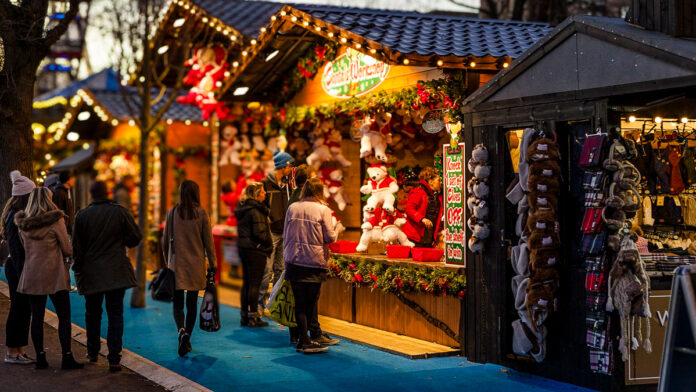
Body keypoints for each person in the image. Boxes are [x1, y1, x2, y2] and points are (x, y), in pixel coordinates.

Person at [72, 181, 142, 372]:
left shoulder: (82, 216)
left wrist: (77, 269)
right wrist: (121, 243)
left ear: (91, 195)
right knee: (115, 314)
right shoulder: (119, 212)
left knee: (92, 313)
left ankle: (93, 352)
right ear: (107, 193)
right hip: (115, 271)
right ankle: (114, 358)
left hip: (91, 272)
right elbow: (135, 237)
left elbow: (76, 248)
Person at [14, 187, 83, 370]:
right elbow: (67, 249)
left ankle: (41, 358)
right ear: (48, 200)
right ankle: (67, 357)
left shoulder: (23, 224)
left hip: (32, 275)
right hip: (55, 275)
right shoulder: (56, 220)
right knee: (64, 316)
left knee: (36, 317)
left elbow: (24, 247)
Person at [283, 178, 338, 354]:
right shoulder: (324, 210)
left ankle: (303, 340)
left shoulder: (293, 207)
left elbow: (285, 233)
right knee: (311, 303)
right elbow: (330, 238)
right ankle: (309, 339)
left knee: (299, 303)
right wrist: (337, 228)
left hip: (294, 260)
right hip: (313, 262)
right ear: (320, 191)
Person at [162, 180, 217, 357]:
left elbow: (165, 241)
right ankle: (188, 337)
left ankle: (181, 331)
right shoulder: (201, 214)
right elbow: (208, 242)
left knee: (177, 304)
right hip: (196, 265)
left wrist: (167, 260)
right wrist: (213, 264)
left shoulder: (172, 213)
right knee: (192, 303)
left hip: (176, 264)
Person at [0, 171, 35, 364]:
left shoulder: (13, 213)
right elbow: (16, 247)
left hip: (17, 266)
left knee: (22, 309)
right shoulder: (15, 216)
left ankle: (18, 350)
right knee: (18, 309)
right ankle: (12, 352)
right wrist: (24, 273)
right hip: (18, 268)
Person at [258, 151, 294, 315]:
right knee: (267, 269)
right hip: (272, 231)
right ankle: (258, 303)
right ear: (284, 165)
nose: (291, 168)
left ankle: (274, 304)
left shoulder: (287, 184)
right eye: (289, 165)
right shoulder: (266, 183)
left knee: (280, 268)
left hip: (285, 230)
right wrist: (268, 218)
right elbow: (259, 204)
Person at [234, 183, 272, 327]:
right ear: (256, 194)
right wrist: (267, 245)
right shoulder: (256, 210)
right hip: (255, 250)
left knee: (247, 283)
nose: (265, 194)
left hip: (244, 248)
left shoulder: (244, 208)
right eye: (262, 192)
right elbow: (260, 233)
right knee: (255, 284)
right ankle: (253, 317)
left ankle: (245, 315)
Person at [402, 167, 443, 248]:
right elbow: (409, 208)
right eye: (438, 180)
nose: (440, 183)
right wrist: (422, 219)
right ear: (431, 181)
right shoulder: (418, 191)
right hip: (415, 236)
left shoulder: (435, 195)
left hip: (428, 236)